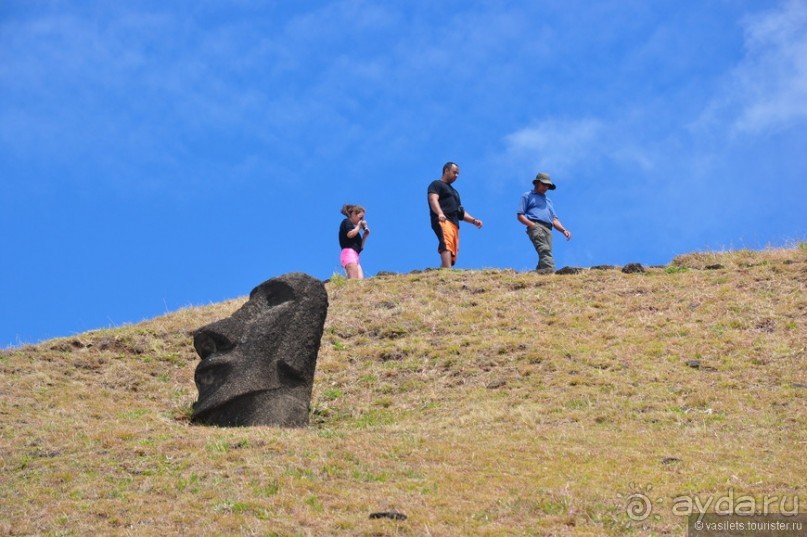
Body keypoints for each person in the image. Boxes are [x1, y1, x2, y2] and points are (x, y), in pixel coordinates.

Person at [427, 161, 483, 268]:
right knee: (446, 244)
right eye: (454, 172)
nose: (456, 175)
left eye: (458, 173)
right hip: (443, 220)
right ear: (446, 171)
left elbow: (460, 212)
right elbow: (433, 199)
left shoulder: (454, 192)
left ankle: (442, 272)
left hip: (454, 223)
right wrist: (440, 213)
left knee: (453, 250)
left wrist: (474, 220)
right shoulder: (436, 184)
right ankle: (447, 272)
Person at [516, 172, 572, 273]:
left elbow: (554, 220)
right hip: (536, 226)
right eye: (544, 184)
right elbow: (520, 215)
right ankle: (551, 274)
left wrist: (564, 230)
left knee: (545, 253)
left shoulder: (548, 201)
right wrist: (532, 225)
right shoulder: (527, 196)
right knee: (545, 251)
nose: (546, 187)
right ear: (537, 183)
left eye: (548, 185)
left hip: (548, 230)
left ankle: (538, 274)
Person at [338, 204, 370, 279]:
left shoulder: (356, 231)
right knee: (353, 280)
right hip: (348, 253)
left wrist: (364, 236)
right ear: (353, 214)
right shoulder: (346, 222)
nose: (361, 219)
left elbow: (360, 248)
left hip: (356, 255)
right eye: (360, 217)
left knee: (360, 281)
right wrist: (359, 227)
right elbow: (349, 234)